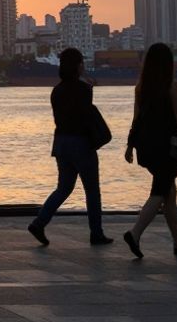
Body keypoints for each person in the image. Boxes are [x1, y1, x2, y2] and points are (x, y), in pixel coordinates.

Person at [27, 48, 113, 246]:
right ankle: (96, 233)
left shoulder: (56, 91)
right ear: (78, 66)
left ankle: (39, 222)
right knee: (92, 190)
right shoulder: (83, 90)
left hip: (61, 144)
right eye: (81, 62)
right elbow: (85, 117)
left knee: (64, 187)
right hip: (81, 143)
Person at [122, 42, 177, 259]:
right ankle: (134, 233)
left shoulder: (140, 87)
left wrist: (129, 145)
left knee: (169, 192)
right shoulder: (173, 87)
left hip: (146, 147)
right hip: (167, 149)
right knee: (160, 192)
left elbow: (136, 119)